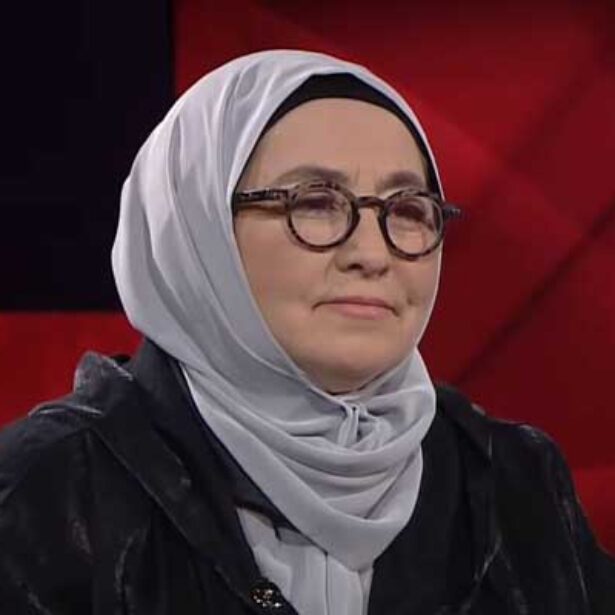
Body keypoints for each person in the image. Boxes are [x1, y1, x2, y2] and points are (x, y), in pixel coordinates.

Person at [0, 49, 613, 615]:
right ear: (198, 231)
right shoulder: (44, 496)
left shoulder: (515, 481)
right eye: (315, 202)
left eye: (407, 209)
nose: (371, 255)